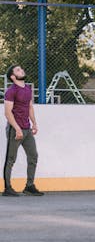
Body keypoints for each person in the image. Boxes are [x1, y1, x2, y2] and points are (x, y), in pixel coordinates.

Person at [2, 65, 44, 196]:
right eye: (18, 70)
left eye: (21, 69)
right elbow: (8, 113)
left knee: (33, 156)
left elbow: (30, 107)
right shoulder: (11, 91)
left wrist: (34, 123)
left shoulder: (28, 89)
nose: (22, 70)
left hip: (27, 129)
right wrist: (17, 129)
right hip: (15, 130)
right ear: (13, 77)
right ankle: (7, 188)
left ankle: (29, 186)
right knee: (11, 159)